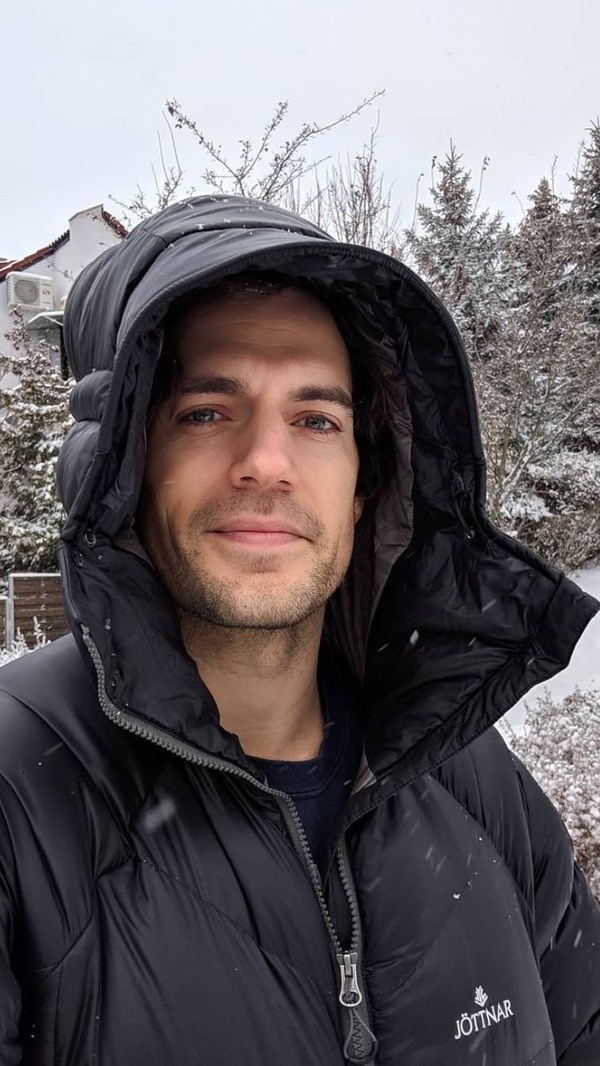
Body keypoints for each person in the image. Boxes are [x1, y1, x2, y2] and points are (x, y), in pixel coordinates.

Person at [0, 195, 599, 1066]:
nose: (266, 464)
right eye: (207, 412)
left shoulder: (473, 779)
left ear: (364, 489)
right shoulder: (17, 795)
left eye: (316, 420)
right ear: (126, 468)